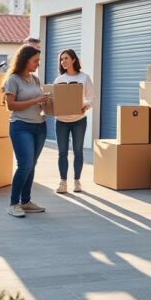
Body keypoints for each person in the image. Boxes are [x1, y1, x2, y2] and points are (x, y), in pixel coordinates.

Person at [3, 45, 50, 217]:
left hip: (40, 126)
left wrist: (46, 102)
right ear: (25, 60)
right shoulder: (13, 80)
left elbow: (37, 101)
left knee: (32, 165)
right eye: (35, 61)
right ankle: (13, 203)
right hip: (21, 126)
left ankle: (26, 201)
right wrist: (36, 100)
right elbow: (11, 105)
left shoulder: (35, 79)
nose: (38, 64)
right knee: (25, 165)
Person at [52, 48, 95, 194]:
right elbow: (54, 99)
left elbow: (91, 97)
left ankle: (77, 181)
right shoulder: (59, 80)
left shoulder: (84, 78)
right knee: (62, 152)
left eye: (66, 58)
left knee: (78, 151)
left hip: (79, 120)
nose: (63, 61)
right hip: (61, 121)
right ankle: (63, 182)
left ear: (74, 60)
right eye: (61, 59)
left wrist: (86, 105)